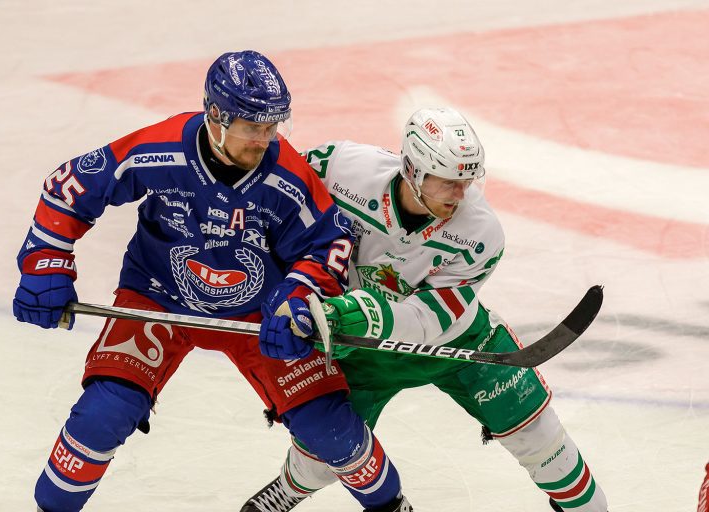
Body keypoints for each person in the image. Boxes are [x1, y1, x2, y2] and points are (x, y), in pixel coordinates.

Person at [13, 50, 412, 512]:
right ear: (216, 116)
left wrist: (298, 298)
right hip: (158, 296)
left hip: (259, 311)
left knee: (330, 429)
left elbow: (329, 245)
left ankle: (393, 506)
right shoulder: (160, 147)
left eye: (272, 126)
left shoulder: (287, 175)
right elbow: (69, 189)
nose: (265, 140)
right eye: (253, 127)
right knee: (103, 415)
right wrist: (45, 261)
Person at [242, 107, 608, 512]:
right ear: (413, 171)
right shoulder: (342, 168)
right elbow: (281, 192)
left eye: (467, 181)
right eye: (449, 182)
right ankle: (289, 488)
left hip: (456, 342)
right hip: (357, 346)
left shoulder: (481, 232)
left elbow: (428, 318)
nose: (460, 194)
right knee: (325, 451)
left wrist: (359, 311)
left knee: (538, 437)